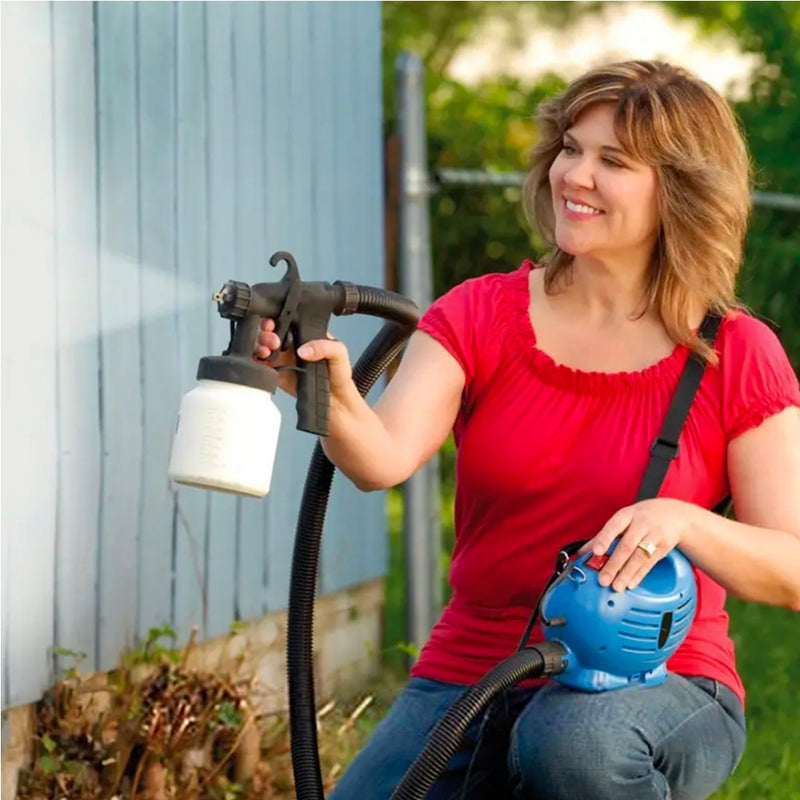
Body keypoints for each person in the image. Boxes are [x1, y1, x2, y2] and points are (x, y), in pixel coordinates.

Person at [257, 60, 800, 800]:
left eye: (613, 161)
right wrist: (325, 388)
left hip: (657, 682)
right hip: (475, 667)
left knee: (574, 743)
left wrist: (683, 522)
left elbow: (792, 567)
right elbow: (379, 458)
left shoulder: (734, 354)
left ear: (679, 189)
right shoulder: (480, 314)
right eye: (571, 149)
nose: (576, 175)